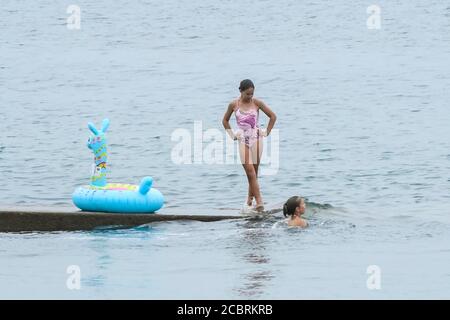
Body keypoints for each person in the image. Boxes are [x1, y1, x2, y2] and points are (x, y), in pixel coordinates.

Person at [222, 79, 277, 212]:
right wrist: (232, 135)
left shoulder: (257, 103)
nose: (250, 96)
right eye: (247, 94)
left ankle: (249, 199)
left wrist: (267, 132)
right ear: (241, 91)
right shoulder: (233, 104)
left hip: (256, 138)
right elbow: (225, 120)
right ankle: (260, 202)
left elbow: (273, 116)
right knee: (250, 172)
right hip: (243, 140)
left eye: (252, 94)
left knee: (254, 173)